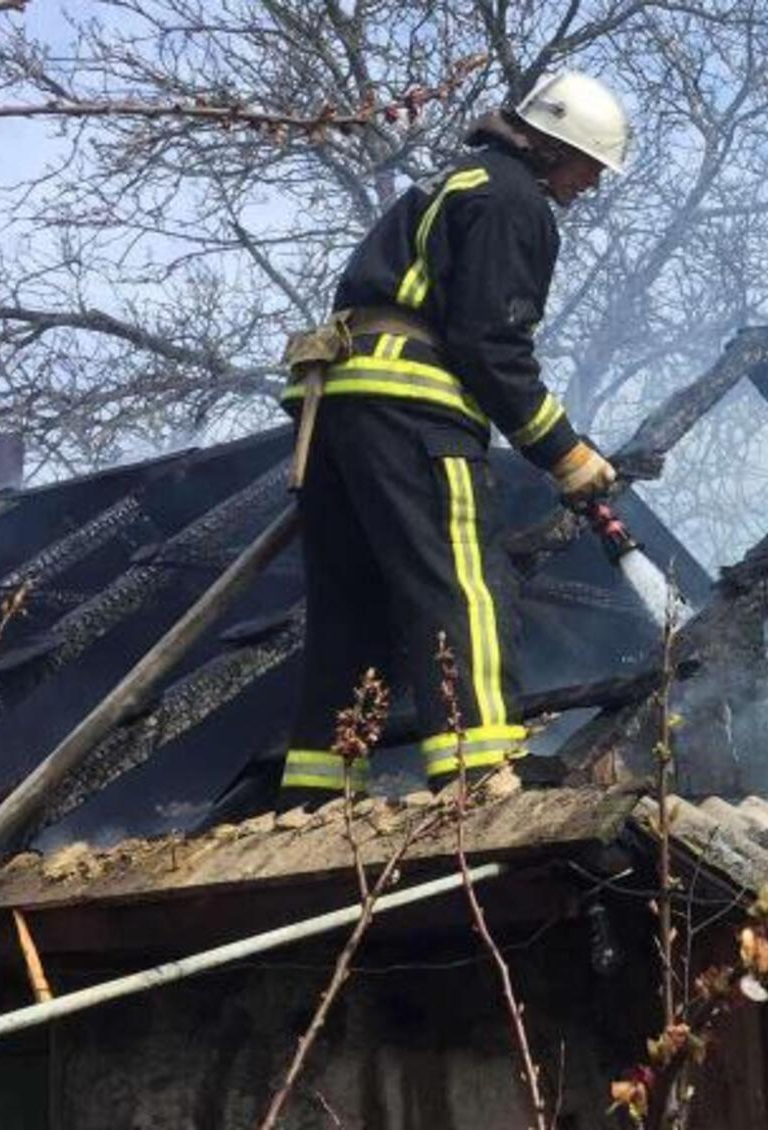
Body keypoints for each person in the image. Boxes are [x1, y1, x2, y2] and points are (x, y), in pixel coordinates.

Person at [272, 71, 626, 809]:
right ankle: (480, 769)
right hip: (415, 412)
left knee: (353, 603)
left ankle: (315, 792)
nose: (591, 183)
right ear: (558, 148)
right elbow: (492, 345)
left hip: (336, 410)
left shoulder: (452, 184)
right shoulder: (515, 202)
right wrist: (566, 452)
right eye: (592, 166)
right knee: (462, 582)